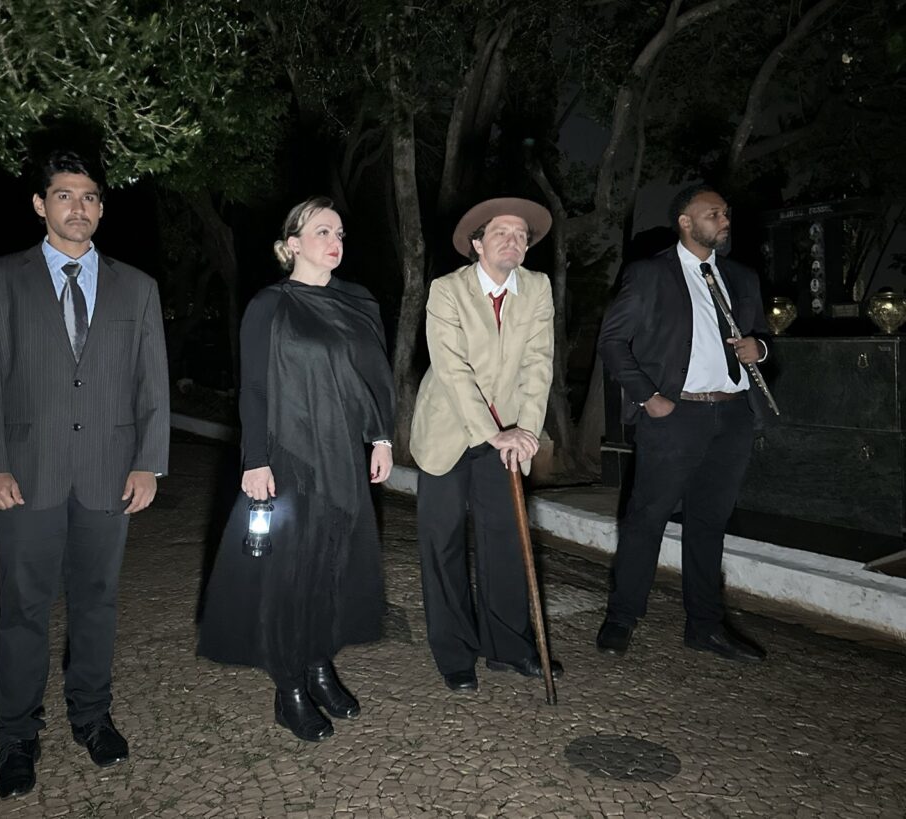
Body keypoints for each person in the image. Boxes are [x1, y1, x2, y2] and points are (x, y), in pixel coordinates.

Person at [0, 150, 170, 798]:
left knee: (98, 604)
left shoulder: (137, 287)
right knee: (23, 609)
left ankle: (91, 716)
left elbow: (152, 385)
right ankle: (17, 736)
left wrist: (148, 462)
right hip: (26, 474)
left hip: (109, 475)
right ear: (40, 204)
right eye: (63, 195)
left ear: (101, 207)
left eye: (88, 197)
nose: (77, 208)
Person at [198, 197, 395, 743]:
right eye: (321, 230)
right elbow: (255, 388)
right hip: (289, 457)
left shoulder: (358, 303)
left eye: (340, 231)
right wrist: (255, 460)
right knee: (289, 573)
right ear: (291, 245)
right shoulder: (270, 305)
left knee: (333, 567)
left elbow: (373, 377)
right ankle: (289, 688)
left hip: (342, 460)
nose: (335, 240)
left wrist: (380, 436)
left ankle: (319, 665)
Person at [595, 183, 770, 662]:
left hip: (731, 414)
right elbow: (613, 343)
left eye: (726, 212)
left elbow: (757, 342)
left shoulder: (742, 278)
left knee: (709, 522)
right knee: (645, 518)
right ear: (686, 223)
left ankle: (705, 626)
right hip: (675, 414)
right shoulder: (650, 275)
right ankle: (622, 616)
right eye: (713, 213)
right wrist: (649, 397)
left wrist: (762, 349)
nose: (724, 219)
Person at [410, 197, 562, 692]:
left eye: (521, 235)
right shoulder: (446, 290)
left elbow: (539, 365)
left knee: (504, 540)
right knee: (444, 542)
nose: (514, 241)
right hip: (449, 430)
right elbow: (451, 370)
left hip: (507, 435)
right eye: (502, 232)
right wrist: (491, 431)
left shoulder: (536, 289)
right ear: (477, 243)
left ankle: (508, 647)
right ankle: (454, 653)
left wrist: (527, 433)